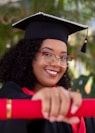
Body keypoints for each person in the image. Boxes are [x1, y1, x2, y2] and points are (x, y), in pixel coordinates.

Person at [0, 12, 94, 133]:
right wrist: (35, 106)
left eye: (63, 57)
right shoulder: (10, 93)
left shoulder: (69, 100)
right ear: (29, 56)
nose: (57, 63)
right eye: (48, 54)